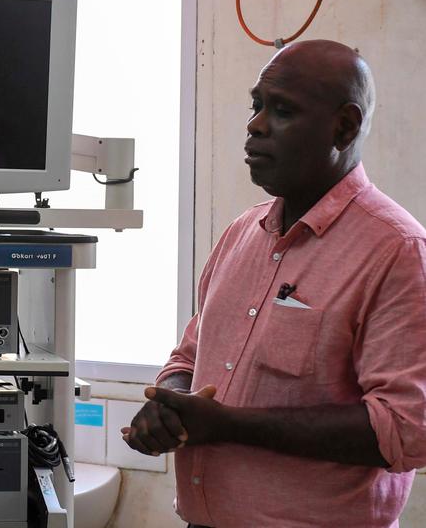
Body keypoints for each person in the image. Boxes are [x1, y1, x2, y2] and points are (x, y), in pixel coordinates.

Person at [124, 39, 426, 527]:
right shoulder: (243, 233)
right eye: (256, 105)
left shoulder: (396, 250)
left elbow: (407, 428)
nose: (255, 125)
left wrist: (229, 426)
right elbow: (189, 358)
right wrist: (171, 403)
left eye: (282, 110)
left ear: (344, 127)